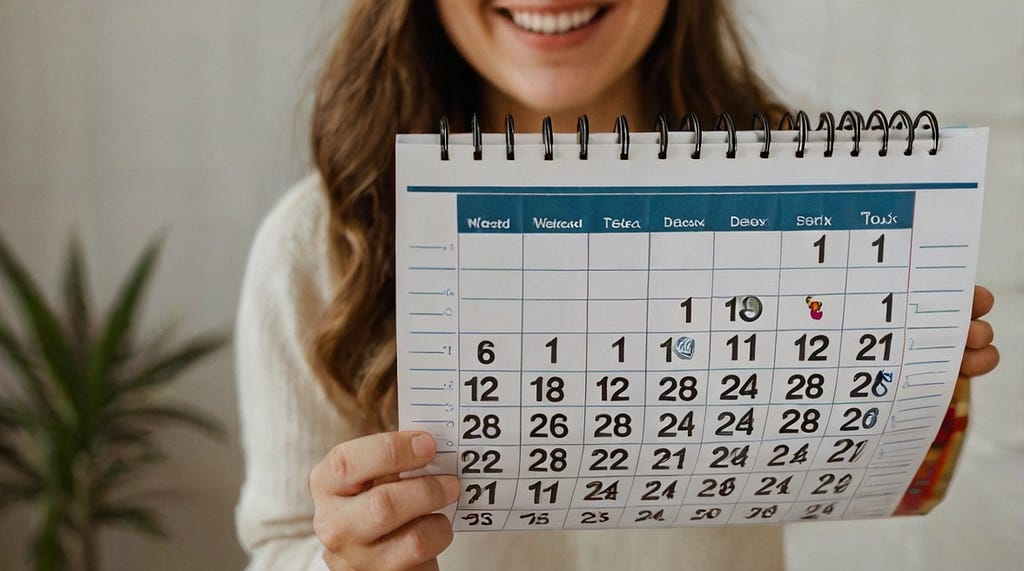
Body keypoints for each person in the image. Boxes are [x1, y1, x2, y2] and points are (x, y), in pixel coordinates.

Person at [234, 1, 1001, 570]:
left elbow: (913, 485)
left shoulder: (800, 187)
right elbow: (277, 545)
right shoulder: (315, 246)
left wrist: (916, 383)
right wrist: (341, 560)